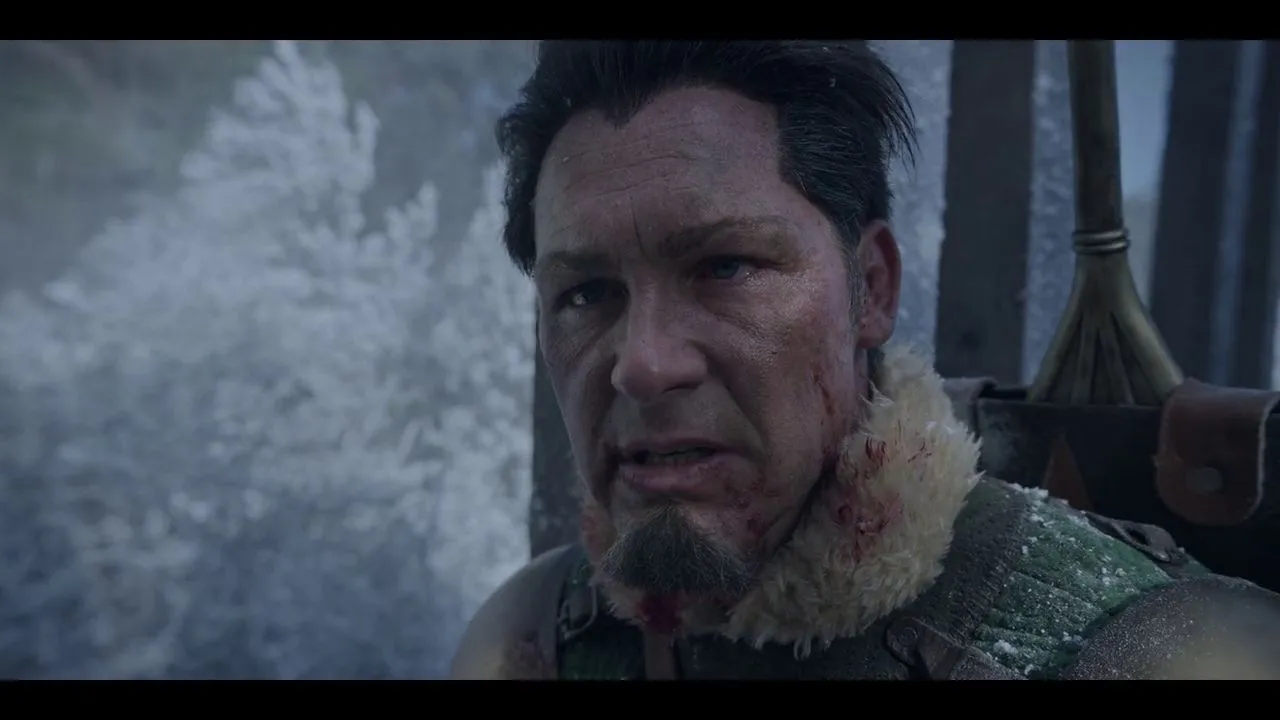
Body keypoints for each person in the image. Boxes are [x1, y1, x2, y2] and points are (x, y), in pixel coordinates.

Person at [450, 40, 1280, 680]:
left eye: (726, 267)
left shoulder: (1165, 656)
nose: (642, 365)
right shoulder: (527, 646)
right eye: (586, 293)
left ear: (871, 288)